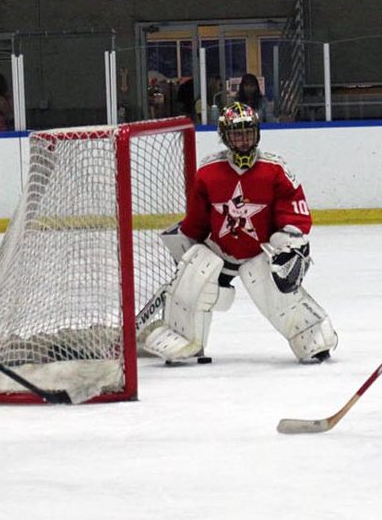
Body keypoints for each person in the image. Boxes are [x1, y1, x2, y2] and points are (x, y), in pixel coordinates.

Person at [139, 102, 337, 363]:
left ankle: (311, 335)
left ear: (257, 133)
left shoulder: (275, 169)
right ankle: (183, 337)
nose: (243, 140)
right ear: (225, 136)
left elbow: (294, 213)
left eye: (248, 132)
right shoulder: (208, 172)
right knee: (195, 274)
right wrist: (186, 245)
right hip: (220, 253)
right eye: (236, 134)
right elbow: (197, 222)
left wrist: (290, 242)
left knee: (277, 292)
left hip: (259, 253)